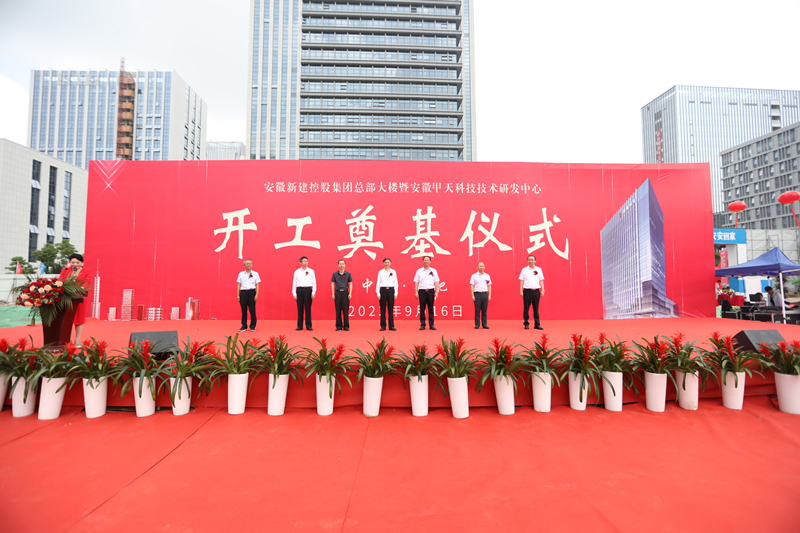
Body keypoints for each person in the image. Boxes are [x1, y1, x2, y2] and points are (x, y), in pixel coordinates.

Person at [58, 253, 91, 344]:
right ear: (69, 262)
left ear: (82, 262)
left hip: (79, 297)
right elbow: (60, 281)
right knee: (65, 318)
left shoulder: (86, 271)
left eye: (77, 262)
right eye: (73, 262)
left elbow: (87, 281)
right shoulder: (65, 270)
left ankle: (77, 339)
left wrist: (81, 289)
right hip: (66, 297)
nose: (75, 264)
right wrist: (70, 277)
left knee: (79, 319)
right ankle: (64, 339)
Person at [519, 254, 545, 330]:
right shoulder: (524, 270)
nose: (530, 261)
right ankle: (526, 323)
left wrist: (542, 290)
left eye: (532, 260)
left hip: (536, 291)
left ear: (535, 261)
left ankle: (537, 324)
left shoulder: (539, 269)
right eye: (529, 260)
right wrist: (521, 291)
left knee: (536, 308)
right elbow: (521, 280)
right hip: (527, 291)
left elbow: (541, 280)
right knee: (526, 308)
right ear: (527, 261)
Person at [413, 256, 440, 331]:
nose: (426, 261)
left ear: (430, 262)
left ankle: (431, 325)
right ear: (422, 261)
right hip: (422, 291)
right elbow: (416, 282)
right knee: (422, 309)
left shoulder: (434, 271)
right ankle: (422, 324)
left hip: (431, 291)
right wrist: (416, 292)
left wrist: (436, 292)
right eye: (425, 260)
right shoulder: (419, 271)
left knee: (431, 309)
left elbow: (436, 282)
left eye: (427, 260)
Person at [292, 256, 316, 331]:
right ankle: (300, 326)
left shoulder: (311, 271)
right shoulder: (297, 272)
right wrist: (294, 293)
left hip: (308, 290)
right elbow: (294, 283)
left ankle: (309, 326)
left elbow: (314, 282)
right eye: (304, 261)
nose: (305, 263)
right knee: (300, 309)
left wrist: (313, 292)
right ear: (300, 262)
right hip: (299, 290)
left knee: (308, 308)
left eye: (306, 261)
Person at [236, 259, 260, 332]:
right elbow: (239, 284)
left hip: (252, 292)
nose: (248, 265)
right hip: (243, 293)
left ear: (252, 265)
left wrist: (256, 294)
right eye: (246, 263)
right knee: (243, 310)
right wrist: (238, 295)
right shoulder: (241, 274)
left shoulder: (255, 273)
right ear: (244, 265)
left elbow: (257, 284)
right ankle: (244, 326)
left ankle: (252, 326)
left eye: (249, 263)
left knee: (252, 310)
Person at [376, 257, 399, 331]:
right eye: (385, 262)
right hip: (383, 290)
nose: (387, 264)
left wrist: (396, 293)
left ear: (390, 263)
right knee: (382, 309)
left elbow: (395, 282)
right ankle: (383, 326)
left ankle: (391, 325)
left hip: (391, 290)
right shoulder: (380, 272)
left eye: (388, 262)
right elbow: (378, 283)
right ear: (383, 263)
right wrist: (378, 293)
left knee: (390, 309)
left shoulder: (393, 271)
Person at [331, 260, 353, 331]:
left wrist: (350, 293)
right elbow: (333, 283)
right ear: (338, 265)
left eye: (343, 264)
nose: (341, 265)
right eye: (340, 264)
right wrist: (333, 293)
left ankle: (346, 326)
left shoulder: (348, 274)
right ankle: (338, 326)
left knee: (345, 310)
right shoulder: (335, 274)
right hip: (337, 293)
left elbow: (350, 283)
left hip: (345, 293)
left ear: (345, 265)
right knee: (338, 310)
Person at [470, 262, 492, 329]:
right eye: (480, 266)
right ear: (477, 267)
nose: (482, 267)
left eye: (483, 266)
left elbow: (489, 285)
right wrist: (472, 295)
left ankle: (484, 324)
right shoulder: (474, 276)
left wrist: (489, 295)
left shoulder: (487, 276)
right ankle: (477, 324)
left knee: (484, 310)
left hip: (485, 294)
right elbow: (472, 285)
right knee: (477, 310)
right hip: (477, 294)